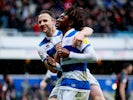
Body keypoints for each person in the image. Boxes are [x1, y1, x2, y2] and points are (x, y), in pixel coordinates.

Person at [48, 7, 104, 100]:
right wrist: (55, 65)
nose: (58, 19)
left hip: (75, 85)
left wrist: (70, 54)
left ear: (70, 22)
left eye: (62, 18)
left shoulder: (77, 36)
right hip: (68, 84)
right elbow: (68, 67)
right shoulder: (63, 39)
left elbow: (93, 57)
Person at [37, 10, 93, 100]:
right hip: (63, 78)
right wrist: (55, 57)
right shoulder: (41, 47)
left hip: (81, 71)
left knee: (98, 96)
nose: (42, 24)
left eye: (45, 20)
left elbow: (89, 29)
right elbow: (53, 70)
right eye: (39, 22)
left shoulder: (64, 30)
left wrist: (82, 34)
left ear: (53, 21)